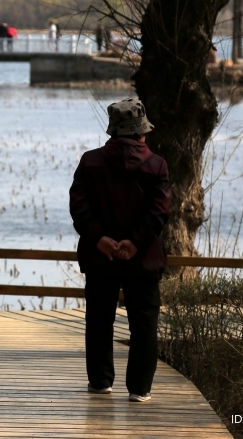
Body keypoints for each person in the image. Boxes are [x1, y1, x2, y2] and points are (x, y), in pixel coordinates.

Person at [70, 98, 170, 402]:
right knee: (144, 323)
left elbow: (79, 206)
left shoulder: (90, 161)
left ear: (112, 131)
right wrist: (135, 242)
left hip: (100, 256)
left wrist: (99, 238)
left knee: (99, 320)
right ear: (142, 132)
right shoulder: (157, 165)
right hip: (143, 258)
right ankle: (140, 389)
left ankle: (100, 383)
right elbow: (159, 211)